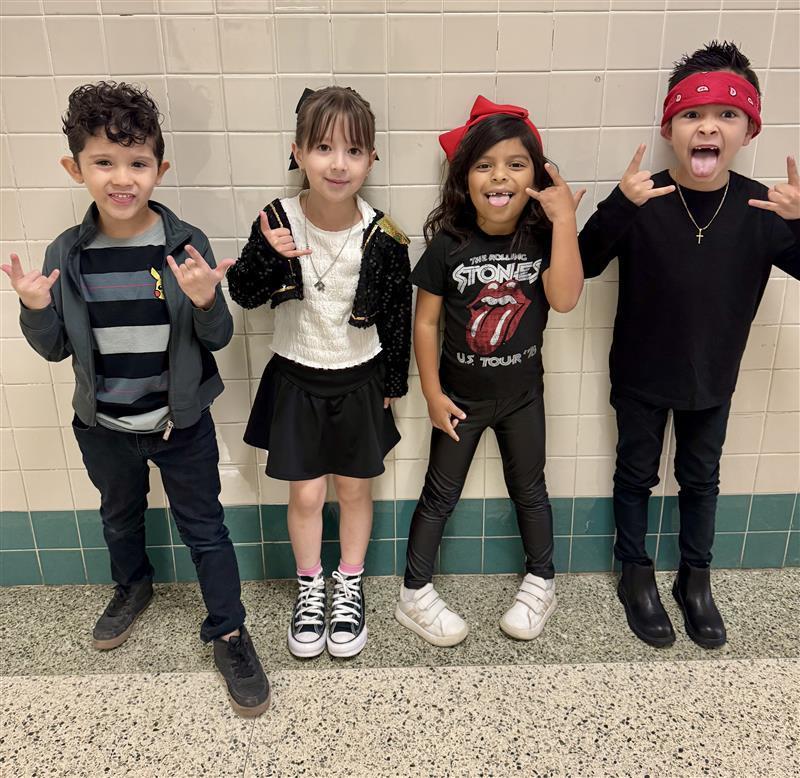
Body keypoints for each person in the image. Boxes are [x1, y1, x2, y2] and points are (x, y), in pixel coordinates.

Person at [1, 82, 270, 717]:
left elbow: (219, 336)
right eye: (104, 161)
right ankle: (132, 586)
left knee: (205, 530)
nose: (122, 177)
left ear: (159, 168)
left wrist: (206, 299)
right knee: (118, 516)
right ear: (76, 168)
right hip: (103, 426)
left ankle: (229, 632)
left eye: (138, 162)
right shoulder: (67, 255)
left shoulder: (184, 244)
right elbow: (55, 350)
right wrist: (35, 308)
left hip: (183, 425)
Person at [578, 41, 800, 649]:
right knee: (636, 473)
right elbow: (585, 263)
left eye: (727, 115)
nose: (708, 126)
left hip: (713, 378)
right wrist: (620, 205)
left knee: (702, 478)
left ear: (748, 128)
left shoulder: (765, 207)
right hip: (641, 372)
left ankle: (695, 581)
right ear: (671, 127)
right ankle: (636, 574)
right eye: (692, 114)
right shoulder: (643, 196)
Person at [227, 86, 411, 659]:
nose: (338, 163)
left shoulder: (383, 233)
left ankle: (348, 585)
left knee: (356, 490)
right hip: (296, 378)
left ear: (371, 160)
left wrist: (392, 386)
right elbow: (244, 294)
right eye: (324, 147)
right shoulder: (278, 220)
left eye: (354, 151)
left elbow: (398, 316)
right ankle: (310, 588)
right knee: (306, 496)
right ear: (298, 153)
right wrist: (267, 253)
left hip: (359, 378)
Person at [394, 96, 585, 647]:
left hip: (524, 395)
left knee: (531, 489)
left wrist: (566, 220)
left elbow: (567, 300)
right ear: (464, 177)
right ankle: (413, 592)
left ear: (537, 174)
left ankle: (542, 579)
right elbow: (425, 324)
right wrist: (430, 391)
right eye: (484, 165)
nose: (499, 175)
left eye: (515, 163)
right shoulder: (448, 244)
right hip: (459, 398)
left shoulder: (544, 238)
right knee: (439, 495)